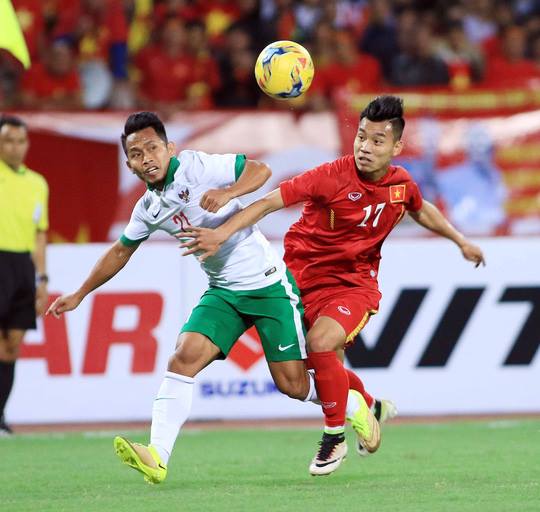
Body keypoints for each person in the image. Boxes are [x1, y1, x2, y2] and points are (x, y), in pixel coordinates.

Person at [46, 112, 378, 482]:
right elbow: (120, 252)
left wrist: (228, 193)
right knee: (183, 356)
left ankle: (355, 405)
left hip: (268, 286)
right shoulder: (148, 208)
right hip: (223, 293)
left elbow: (260, 170)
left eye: (153, 148)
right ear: (129, 164)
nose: (147, 158)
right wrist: (79, 293)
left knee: (294, 386)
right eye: (137, 154)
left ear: (170, 148)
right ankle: (158, 456)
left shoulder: (195, 166)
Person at [179, 95, 486, 467]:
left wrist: (460, 241)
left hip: (354, 285)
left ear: (397, 146)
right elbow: (266, 204)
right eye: (361, 137)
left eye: (377, 141)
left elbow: (420, 209)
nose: (365, 147)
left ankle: (333, 438)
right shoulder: (329, 176)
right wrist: (221, 233)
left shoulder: (401, 183)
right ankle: (368, 404)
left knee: (321, 344)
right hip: (298, 283)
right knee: (309, 375)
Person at [0, 115, 49, 435]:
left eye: (20, 141)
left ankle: (1, 415)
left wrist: (41, 279)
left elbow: (40, 234)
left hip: (22, 266)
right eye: (8, 141)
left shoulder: (37, 183)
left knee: (13, 344)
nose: (15, 147)